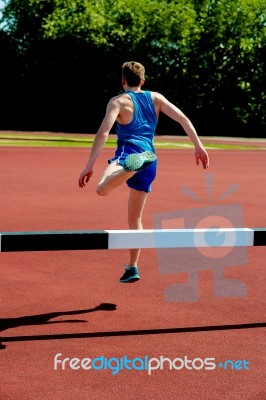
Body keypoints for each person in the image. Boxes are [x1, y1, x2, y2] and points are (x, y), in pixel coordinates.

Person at [78, 61, 209, 283]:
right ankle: (132, 267)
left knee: (102, 188)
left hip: (128, 153)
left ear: (123, 81)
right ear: (143, 81)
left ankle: (130, 168)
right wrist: (198, 146)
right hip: (151, 159)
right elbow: (183, 119)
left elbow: (103, 133)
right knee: (135, 218)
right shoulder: (156, 98)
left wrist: (89, 164)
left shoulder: (118, 101)